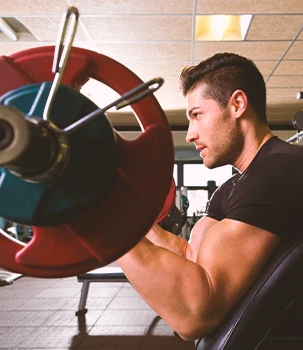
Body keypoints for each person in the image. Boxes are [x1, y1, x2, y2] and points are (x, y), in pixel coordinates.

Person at [117, 52, 303, 341]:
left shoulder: (280, 169)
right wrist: (126, 211)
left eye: (197, 115)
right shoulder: (230, 189)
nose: (190, 134)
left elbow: (194, 314)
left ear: (237, 105)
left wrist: (105, 223)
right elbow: (191, 256)